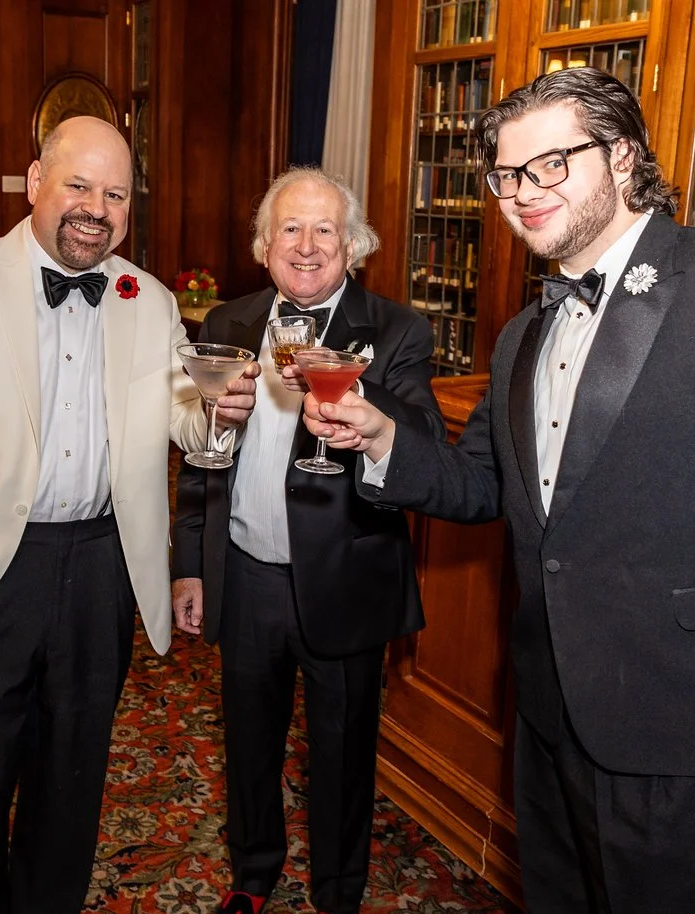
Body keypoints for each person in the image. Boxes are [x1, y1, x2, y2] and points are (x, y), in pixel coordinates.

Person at [303, 68, 695, 914]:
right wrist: (381, 437)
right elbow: (483, 485)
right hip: (547, 716)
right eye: (506, 175)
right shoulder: (520, 335)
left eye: (551, 163)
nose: (523, 192)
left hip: (692, 729)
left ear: (623, 157)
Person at [0, 116, 258, 914]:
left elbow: (186, 423)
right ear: (36, 182)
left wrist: (221, 414)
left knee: (70, 790)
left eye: (116, 194)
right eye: (78, 185)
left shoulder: (150, 299)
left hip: (100, 572)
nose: (96, 209)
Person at [170, 167, 444, 914]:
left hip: (345, 582)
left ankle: (338, 892)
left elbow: (422, 440)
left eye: (326, 229)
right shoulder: (228, 322)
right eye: (289, 228)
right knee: (248, 742)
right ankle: (252, 875)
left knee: (343, 751)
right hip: (247, 575)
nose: (307, 245)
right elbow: (199, 454)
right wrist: (190, 565)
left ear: (352, 246)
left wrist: (351, 391)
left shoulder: (396, 330)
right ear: (264, 246)